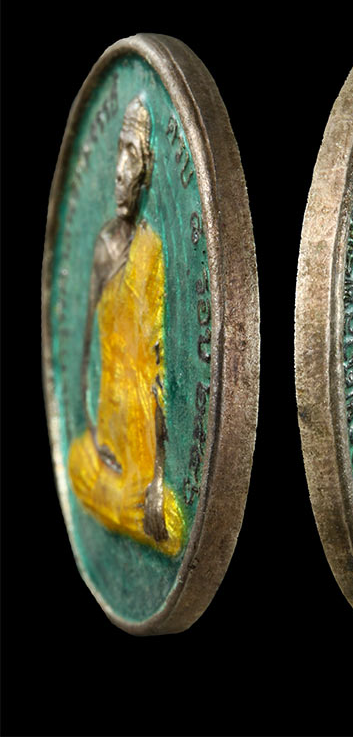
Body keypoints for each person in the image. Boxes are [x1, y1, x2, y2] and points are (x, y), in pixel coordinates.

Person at [68, 96, 184, 556]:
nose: (119, 171)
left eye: (132, 156)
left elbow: (159, 372)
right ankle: (121, 502)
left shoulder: (150, 251)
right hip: (106, 435)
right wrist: (93, 433)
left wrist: (158, 478)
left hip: (140, 443)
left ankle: (135, 501)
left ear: (145, 172)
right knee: (76, 465)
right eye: (118, 153)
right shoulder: (102, 247)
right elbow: (82, 352)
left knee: (169, 525)